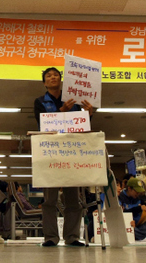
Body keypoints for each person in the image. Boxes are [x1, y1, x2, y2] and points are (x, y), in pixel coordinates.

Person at [33, 67, 94, 247]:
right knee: (50, 199)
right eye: (48, 76)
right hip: (49, 152)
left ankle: (73, 237)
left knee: (73, 199)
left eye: (56, 75)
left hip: (71, 151)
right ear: (44, 82)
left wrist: (88, 115)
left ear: (61, 80)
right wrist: (61, 111)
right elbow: (43, 123)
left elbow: (82, 126)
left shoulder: (74, 101)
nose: (53, 78)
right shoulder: (40, 101)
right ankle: (50, 237)